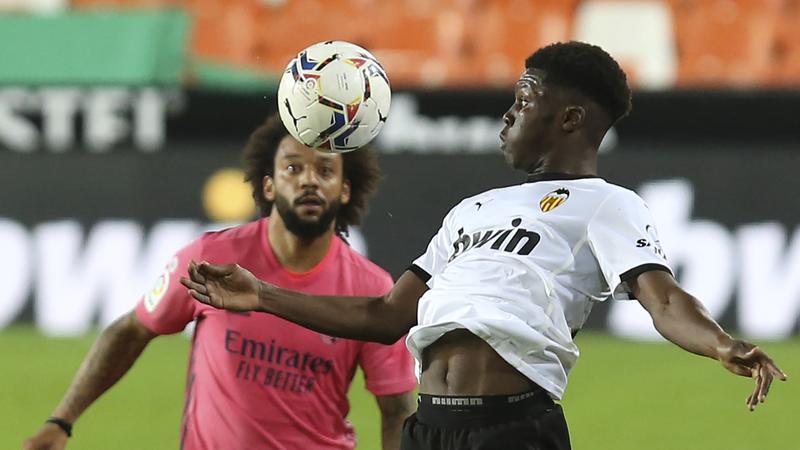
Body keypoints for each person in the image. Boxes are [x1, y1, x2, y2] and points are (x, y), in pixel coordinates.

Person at [180, 42, 787, 450]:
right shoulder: (473, 209)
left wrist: (722, 344)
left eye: (523, 101)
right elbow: (387, 316)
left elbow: (664, 300)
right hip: (430, 427)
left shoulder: (609, 204)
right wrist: (262, 294)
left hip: (513, 425)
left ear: (571, 119)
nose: (506, 116)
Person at [23, 114, 417, 450]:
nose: (309, 181)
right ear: (268, 184)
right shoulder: (211, 261)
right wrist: (61, 421)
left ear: (345, 189)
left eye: (325, 170)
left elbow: (398, 409)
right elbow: (131, 330)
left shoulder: (373, 291)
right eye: (293, 167)